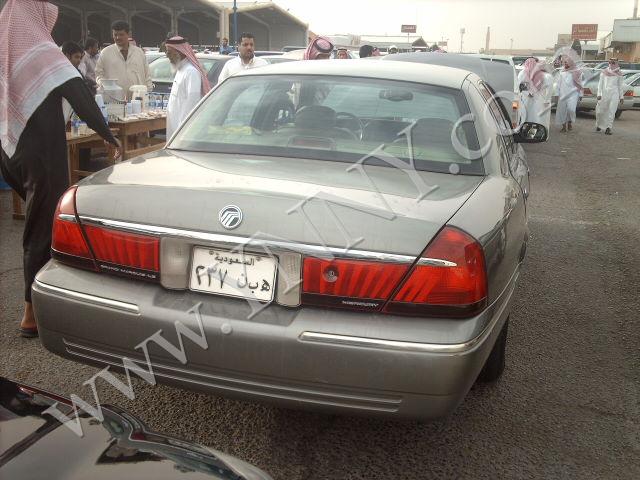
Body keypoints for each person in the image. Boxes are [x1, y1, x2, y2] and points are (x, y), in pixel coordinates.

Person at [0, 0, 121, 338]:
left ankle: (51, 295)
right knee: (40, 230)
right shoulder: (42, 52)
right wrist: (108, 136)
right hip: (43, 155)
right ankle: (30, 313)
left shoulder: (5, 50)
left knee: (45, 223)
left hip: (10, 152)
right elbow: (79, 96)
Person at [165, 36, 212, 138]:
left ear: (179, 52)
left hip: (183, 129)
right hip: (175, 126)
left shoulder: (191, 72)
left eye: (169, 52)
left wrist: (182, 129)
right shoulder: (180, 69)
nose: (167, 55)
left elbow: (192, 102)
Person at [95, 20, 152, 98]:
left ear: (128, 34)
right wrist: (104, 85)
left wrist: (148, 92)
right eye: (115, 35)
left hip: (138, 98)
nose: (118, 37)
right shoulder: (106, 53)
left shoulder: (139, 53)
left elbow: (147, 75)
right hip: (114, 99)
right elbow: (98, 74)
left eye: (121, 34)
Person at [517, 57, 553, 134]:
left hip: (528, 98)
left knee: (529, 115)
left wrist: (528, 93)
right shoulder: (543, 75)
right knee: (534, 116)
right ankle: (535, 131)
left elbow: (519, 86)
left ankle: (529, 131)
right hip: (536, 99)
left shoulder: (523, 73)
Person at [595, 58, 625, 135]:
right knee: (600, 111)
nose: (611, 64)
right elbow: (600, 84)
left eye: (613, 62)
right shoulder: (604, 72)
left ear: (616, 63)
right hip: (604, 93)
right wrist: (599, 94)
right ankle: (598, 125)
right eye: (610, 62)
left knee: (612, 111)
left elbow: (620, 86)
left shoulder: (619, 74)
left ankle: (608, 128)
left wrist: (621, 97)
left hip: (614, 94)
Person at [555, 56, 583, 132]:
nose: (565, 64)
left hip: (573, 94)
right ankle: (564, 126)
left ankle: (570, 121)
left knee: (571, 109)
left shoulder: (577, 72)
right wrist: (557, 94)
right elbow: (558, 84)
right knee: (562, 110)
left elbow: (580, 83)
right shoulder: (561, 72)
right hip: (563, 94)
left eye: (567, 62)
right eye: (565, 62)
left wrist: (580, 94)